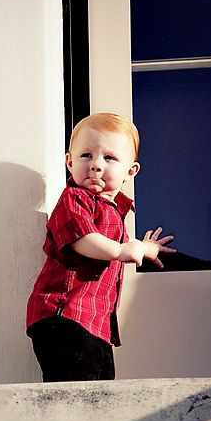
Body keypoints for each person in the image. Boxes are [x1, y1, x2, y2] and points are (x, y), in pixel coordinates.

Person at [25, 112, 176, 382]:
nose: (96, 165)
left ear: (131, 171)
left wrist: (147, 248)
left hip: (96, 324)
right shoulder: (74, 199)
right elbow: (81, 238)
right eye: (86, 156)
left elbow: (130, 248)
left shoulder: (116, 211)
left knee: (101, 384)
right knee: (76, 388)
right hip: (65, 316)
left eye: (109, 158)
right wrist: (120, 251)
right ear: (69, 162)